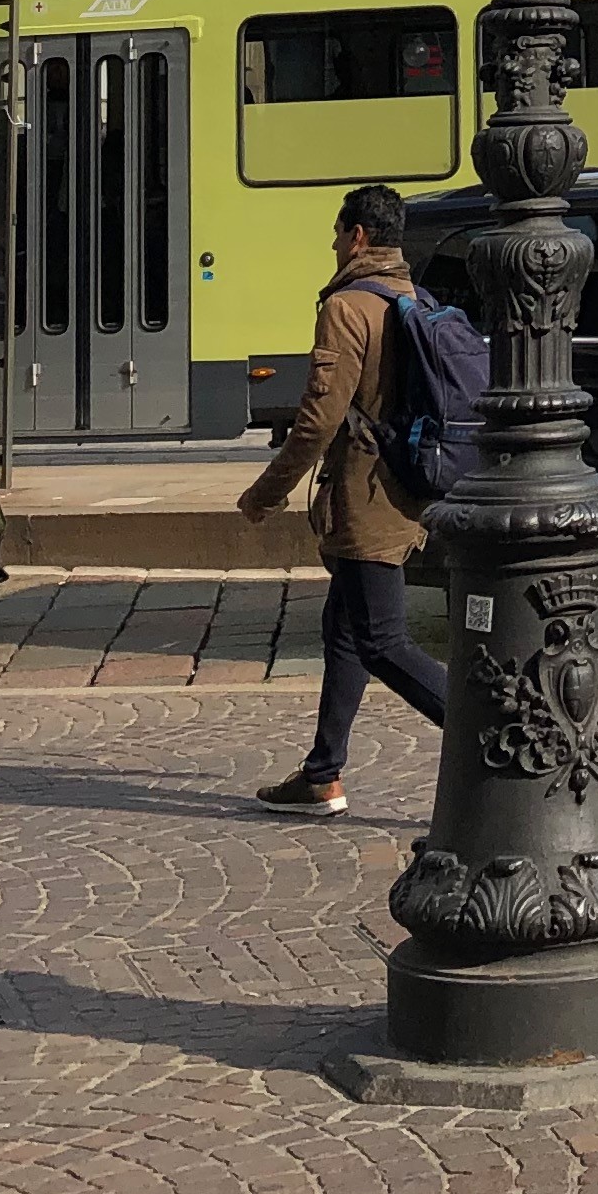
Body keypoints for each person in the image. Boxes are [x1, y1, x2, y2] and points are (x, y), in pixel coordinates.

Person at [239, 184, 451, 813]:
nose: (333, 245)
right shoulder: (414, 298)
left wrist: (266, 492)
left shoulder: (347, 307)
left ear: (357, 236)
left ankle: (495, 734)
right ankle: (322, 773)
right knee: (345, 632)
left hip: (365, 496)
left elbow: (317, 420)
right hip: (405, 486)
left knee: (382, 641)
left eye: (336, 234)